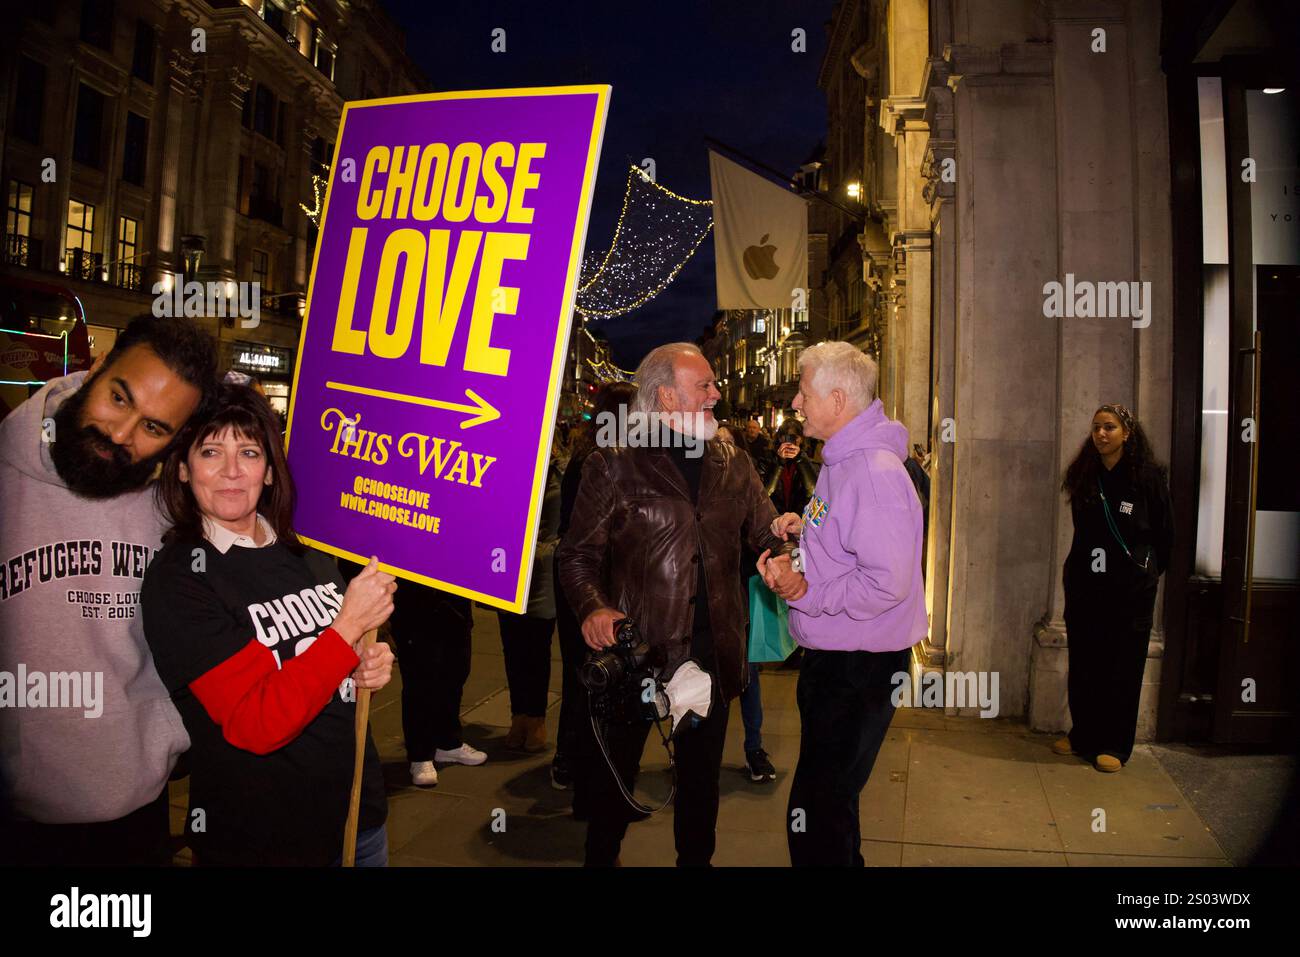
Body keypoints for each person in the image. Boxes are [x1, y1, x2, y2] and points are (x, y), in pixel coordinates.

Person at [141, 385, 396, 865]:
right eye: (212, 451)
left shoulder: (305, 549)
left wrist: (365, 664)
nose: (233, 471)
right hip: (264, 838)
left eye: (250, 452)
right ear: (181, 467)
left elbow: (324, 662)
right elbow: (255, 722)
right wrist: (346, 629)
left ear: (270, 468)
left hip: (358, 816)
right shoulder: (180, 580)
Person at [559, 343, 791, 867]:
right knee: (614, 785)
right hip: (639, 654)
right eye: (703, 385)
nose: (716, 393)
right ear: (665, 396)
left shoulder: (733, 461)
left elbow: (765, 529)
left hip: (711, 654)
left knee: (701, 785)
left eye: (713, 384)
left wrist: (784, 544)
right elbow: (576, 556)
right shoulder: (612, 462)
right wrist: (594, 607)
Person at [0, 315, 217, 866]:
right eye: (119, 398)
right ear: (95, 368)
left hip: (136, 815)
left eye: (154, 428)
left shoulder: (176, 506)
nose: (121, 435)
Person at [761, 341, 927, 867]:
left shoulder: (871, 472)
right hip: (842, 660)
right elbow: (849, 537)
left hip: (858, 668)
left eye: (804, 392)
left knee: (818, 815)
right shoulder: (842, 462)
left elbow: (886, 583)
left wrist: (809, 590)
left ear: (837, 398)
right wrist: (804, 529)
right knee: (831, 805)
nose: (795, 404)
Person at [1055, 404, 1172, 773]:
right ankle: (1084, 735)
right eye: (1096, 428)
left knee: (1122, 667)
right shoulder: (1085, 474)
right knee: (1086, 664)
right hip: (1087, 587)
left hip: (1130, 592)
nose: (1101, 434)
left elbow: (1165, 534)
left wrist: (1146, 573)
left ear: (1127, 433)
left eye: (1109, 427)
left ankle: (1115, 745)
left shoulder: (1148, 477)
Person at [552, 382, 638, 796]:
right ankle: (585, 767)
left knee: (581, 672)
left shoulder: (589, 456)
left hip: (578, 581)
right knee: (598, 676)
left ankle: (571, 761)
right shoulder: (604, 462)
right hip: (593, 584)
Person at [497, 442, 563, 753]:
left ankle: (536, 719)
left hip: (541, 574)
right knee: (512, 648)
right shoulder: (508, 466)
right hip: (508, 567)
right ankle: (518, 715)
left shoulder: (557, 473)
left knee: (536, 649)